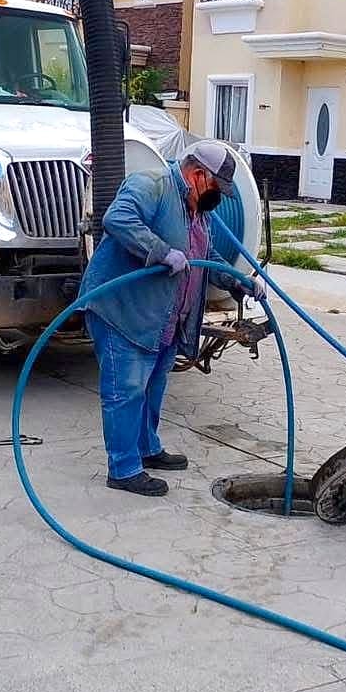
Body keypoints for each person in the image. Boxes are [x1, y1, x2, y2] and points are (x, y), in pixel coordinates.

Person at [78, 143, 266, 496]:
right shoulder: (151, 185)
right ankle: (123, 468)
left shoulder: (198, 211)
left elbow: (204, 256)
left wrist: (239, 281)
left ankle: (147, 449)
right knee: (126, 390)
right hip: (123, 311)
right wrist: (161, 251)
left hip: (164, 321)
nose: (219, 199)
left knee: (153, 386)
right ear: (198, 175)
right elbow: (117, 219)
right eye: (216, 189)